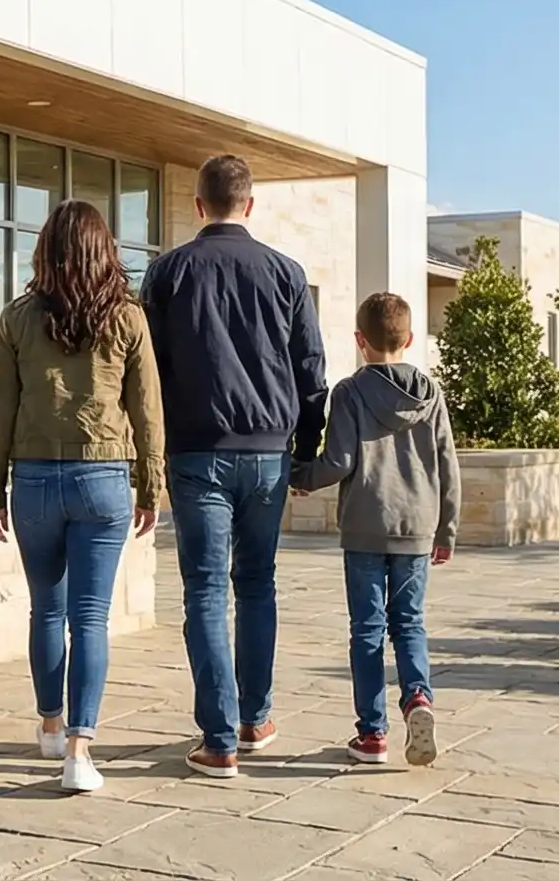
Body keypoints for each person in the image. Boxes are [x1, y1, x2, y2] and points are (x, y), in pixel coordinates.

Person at [140, 153, 327, 778]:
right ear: (249, 205)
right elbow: (311, 371)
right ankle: (256, 718)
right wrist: (305, 450)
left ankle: (218, 739)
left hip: (196, 453)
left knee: (205, 591)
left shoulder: (167, 273)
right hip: (269, 455)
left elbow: (149, 372)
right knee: (257, 584)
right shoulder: (287, 273)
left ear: (199, 206)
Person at [0, 200, 164, 794]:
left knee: (47, 610)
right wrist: (151, 485)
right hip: (104, 476)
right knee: (91, 616)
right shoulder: (128, 317)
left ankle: (50, 724)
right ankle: (80, 753)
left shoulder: (16, 318)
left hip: (33, 479)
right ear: (103, 250)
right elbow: (147, 411)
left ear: (45, 251)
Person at [291, 292, 457, 767]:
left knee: (366, 629)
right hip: (418, 526)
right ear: (407, 339)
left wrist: (298, 476)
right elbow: (448, 465)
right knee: (409, 623)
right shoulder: (431, 393)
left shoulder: (350, 392)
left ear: (360, 340)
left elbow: (339, 460)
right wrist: (446, 530)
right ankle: (418, 698)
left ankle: (373, 735)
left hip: (365, 525)